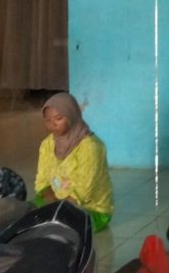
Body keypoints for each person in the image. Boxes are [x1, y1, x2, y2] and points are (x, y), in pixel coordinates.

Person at [34, 92, 114, 232]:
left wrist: (58, 209)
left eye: (58, 118)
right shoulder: (47, 144)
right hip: (57, 201)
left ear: (72, 116)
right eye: (47, 120)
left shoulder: (90, 147)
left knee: (56, 225)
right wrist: (51, 201)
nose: (53, 124)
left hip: (90, 208)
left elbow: (84, 189)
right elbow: (42, 180)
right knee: (28, 214)